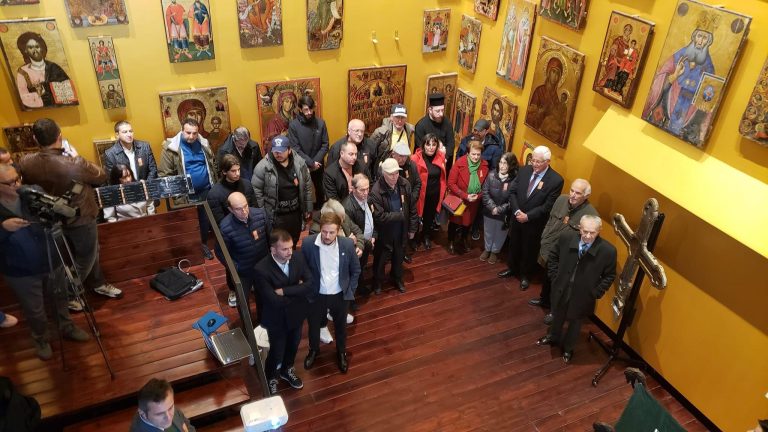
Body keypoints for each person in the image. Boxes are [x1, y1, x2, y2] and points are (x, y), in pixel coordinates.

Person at [18, 118, 122, 309]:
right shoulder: (73, 163)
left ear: (35, 139)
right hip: (80, 217)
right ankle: (67, 293)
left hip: (52, 217)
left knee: (89, 253)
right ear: (60, 136)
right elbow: (101, 175)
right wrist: (77, 156)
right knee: (86, 257)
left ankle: (97, 283)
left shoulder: (26, 162)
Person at [0, 164, 90, 360]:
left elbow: (56, 214)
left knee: (60, 298)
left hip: (51, 258)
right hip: (20, 270)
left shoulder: (33, 192)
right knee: (34, 309)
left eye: (17, 179)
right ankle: (41, 338)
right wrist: (3, 229)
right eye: (9, 183)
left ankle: (67, 327)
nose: (17, 185)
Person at [536, 215, 617, 363]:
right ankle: (553, 336)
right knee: (557, 314)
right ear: (579, 228)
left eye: (592, 232)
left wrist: (596, 292)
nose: (588, 236)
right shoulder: (566, 238)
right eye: (585, 231)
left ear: (599, 230)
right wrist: (555, 277)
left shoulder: (608, 251)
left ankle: (568, 348)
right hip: (562, 287)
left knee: (576, 323)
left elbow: (609, 275)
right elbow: (553, 256)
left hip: (583, 294)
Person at [529, 179, 598, 325]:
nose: (572, 195)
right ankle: (544, 300)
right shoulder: (561, 199)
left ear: (586, 196)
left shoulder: (591, 215)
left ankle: (554, 312)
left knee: (559, 286)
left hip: (566, 258)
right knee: (547, 278)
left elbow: (588, 242)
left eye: (578, 193)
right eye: (572, 190)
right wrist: (544, 237)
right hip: (550, 250)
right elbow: (550, 220)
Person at [498, 145, 564, 291]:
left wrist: (528, 216)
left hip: (534, 223)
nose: (534, 164)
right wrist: (516, 211)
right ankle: (511, 268)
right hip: (517, 218)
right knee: (514, 244)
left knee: (529, 250)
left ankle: (525, 276)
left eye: (538, 162)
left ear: (547, 161)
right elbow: (513, 192)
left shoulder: (556, 180)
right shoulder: (524, 170)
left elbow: (548, 206)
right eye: (533, 160)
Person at [302, 212, 361, 374]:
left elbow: (355, 269)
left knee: (340, 327)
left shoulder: (347, 244)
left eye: (331, 232)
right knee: (314, 326)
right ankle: (314, 350)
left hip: (340, 295)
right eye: (324, 231)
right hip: (316, 295)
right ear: (320, 228)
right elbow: (302, 269)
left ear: (339, 230)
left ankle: (341, 352)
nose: (327, 236)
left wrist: (350, 290)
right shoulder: (308, 244)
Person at [254, 229, 311, 395]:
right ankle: (271, 377)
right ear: (273, 250)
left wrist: (285, 291)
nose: (289, 252)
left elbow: (310, 284)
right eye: (284, 249)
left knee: (293, 346)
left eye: (291, 247)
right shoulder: (261, 269)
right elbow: (272, 300)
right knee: (276, 351)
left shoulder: (298, 257)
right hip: (276, 318)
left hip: (297, 315)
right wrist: (298, 292)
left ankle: (287, 370)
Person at [158, 118, 218, 260]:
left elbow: (212, 164)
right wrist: (177, 193)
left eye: (194, 133)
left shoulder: (204, 144)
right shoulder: (171, 148)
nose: (191, 136)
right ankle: (191, 251)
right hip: (185, 195)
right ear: (182, 130)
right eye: (188, 132)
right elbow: (165, 175)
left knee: (204, 222)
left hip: (205, 191)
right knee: (188, 224)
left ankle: (203, 245)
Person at [642, 27, 715, 143]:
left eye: (705, 38)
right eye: (699, 36)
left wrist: (705, 96)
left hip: (690, 112)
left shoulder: (709, 67)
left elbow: (709, 95)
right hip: (668, 104)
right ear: (694, 37)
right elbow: (661, 76)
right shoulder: (678, 56)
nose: (701, 41)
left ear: (708, 42)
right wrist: (675, 75)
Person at [369, 158, 418, 294]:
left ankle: (397, 278)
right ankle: (378, 282)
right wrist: (399, 216)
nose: (395, 176)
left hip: (401, 231)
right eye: (391, 174)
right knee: (380, 260)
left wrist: (412, 228)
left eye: (396, 173)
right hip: (384, 233)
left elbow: (412, 207)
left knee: (398, 257)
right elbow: (379, 216)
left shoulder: (405, 184)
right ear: (383, 173)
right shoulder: (376, 190)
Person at [251, 136, 313, 244]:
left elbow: (307, 185)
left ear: (289, 150)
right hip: (276, 215)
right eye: (275, 151)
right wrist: (262, 214)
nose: (278, 154)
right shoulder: (262, 167)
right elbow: (256, 192)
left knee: (293, 240)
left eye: (281, 151)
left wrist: (308, 207)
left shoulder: (300, 163)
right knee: (278, 243)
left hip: (295, 212)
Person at [219, 192, 270, 319]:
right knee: (243, 302)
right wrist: (235, 267)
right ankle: (247, 328)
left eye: (245, 206)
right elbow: (220, 252)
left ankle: (263, 324)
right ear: (230, 209)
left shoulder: (260, 214)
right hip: (242, 271)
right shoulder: (225, 227)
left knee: (263, 297)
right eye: (238, 209)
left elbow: (271, 237)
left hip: (262, 267)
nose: (244, 211)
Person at [446, 140, 488, 255]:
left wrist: (478, 196)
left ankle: (463, 239)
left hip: (474, 201)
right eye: (473, 154)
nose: (476, 157)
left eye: (478, 154)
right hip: (459, 199)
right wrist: (465, 195)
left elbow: (485, 186)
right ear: (468, 153)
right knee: (454, 222)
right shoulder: (459, 163)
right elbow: (451, 183)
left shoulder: (484, 166)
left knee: (468, 222)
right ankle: (450, 241)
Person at [14, 32, 77, 109]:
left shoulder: (54, 67)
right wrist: (39, 94)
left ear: (41, 48)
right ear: (25, 50)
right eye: (31, 48)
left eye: (37, 46)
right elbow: (23, 97)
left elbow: (68, 90)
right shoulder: (23, 72)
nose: (35, 50)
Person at [288, 95, 329, 210]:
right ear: (300, 109)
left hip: (318, 164)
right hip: (302, 164)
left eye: (311, 109)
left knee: (320, 189)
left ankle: (320, 211)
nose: (309, 112)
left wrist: (315, 162)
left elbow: (325, 144)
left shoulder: (321, 123)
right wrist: (310, 163)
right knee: (302, 190)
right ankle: (304, 213)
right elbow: (295, 148)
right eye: (306, 110)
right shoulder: (293, 125)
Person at [480, 152, 518, 264]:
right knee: (488, 230)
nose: (502, 166)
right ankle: (487, 249)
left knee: (500, 233)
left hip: (504, 213)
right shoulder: (491, 174)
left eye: (505, 163)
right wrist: (492, 207)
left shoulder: (515, 180)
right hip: (489, 210)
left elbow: (513, 199)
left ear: (511, 165)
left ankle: (495, 251)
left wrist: (499, 209)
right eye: (501, 162)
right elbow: (485, 192)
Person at [411, 133, 446, 250]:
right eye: (428, 144)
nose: (431, 147)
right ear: (423, 145)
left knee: (429, 217)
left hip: (434, 194)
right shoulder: (414, 159)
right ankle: (414, 237)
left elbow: (443, 177)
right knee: (416, 216)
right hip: (419, 195)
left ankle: (426, 236)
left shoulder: (441, 157)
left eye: (434, 145)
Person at [342, 174, 376, 295]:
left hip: (369, 241)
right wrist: (364, 243)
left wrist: (374, 235)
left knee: (362, 265)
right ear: (353, 189)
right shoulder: (347, 207)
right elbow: (350, 232)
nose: (366, 193)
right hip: (359, 245)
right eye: (362, 190)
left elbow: (373, 218)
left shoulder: (368, 199)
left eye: (368, 189)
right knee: (356, 268)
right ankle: (356, 292)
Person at [525, 57, 567, 146]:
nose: (555, 77)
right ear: (548, 72)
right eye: (553, 72)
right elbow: (529, 114)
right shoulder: (539, 91)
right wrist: (540, 112)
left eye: (557, 74)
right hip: (535, 129)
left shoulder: (556, 98)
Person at [206, 154, 257, 226]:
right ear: (224, 172)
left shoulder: (247, 184)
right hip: (231, 229)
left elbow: (255, 208)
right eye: (233, 171)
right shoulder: (214, 194)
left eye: (238, 170)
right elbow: (219, 222)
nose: (238, 173)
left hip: (251, 224)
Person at [129, 378, 195, 432]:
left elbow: (187, 424)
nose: (168, 418)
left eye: (170, 408)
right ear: (143, 414)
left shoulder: (165, 406)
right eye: (160, 414)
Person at [415, 93, 456, 174]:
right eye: (437, 111)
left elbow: (451, 143)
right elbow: (420, 147)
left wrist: (444, 157)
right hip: (427, 164)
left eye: (442, 110)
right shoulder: (421, 125)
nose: (441, 114)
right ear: (430, 110)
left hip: (444, 162)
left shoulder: (447, 123)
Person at [370, 104, 415, 171]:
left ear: (406, 118)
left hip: (402, 167)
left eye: (402, 117)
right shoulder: (381, 132)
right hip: (385, 168)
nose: (400, 120)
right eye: (397, 117)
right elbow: (370, 150)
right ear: (391, 117)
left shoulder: (409, 130)